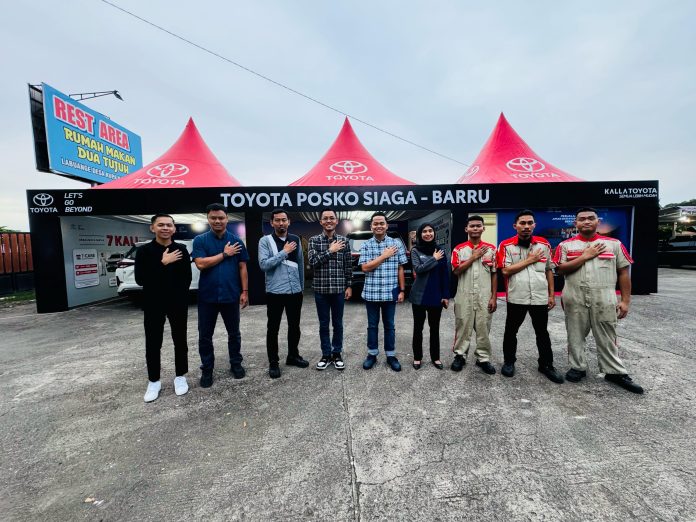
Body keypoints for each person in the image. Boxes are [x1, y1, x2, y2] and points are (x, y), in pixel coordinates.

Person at [554, 207, 644, 394]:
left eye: (591, 218)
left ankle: (614, 371)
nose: (586, 221)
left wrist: (625, 301)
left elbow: (623, 273)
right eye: (582, 219)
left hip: (605, 296)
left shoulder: (614, 244)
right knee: (575, 334)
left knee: (607, 334)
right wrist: (585, 256)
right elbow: (560, 270)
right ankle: (577, 367)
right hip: (574, 296)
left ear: (598, 222)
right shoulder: (566, 246)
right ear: (575, 223)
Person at [497, 210, 564, 383]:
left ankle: (546, 365)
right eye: (522, 223)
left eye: (529, 223)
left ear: (534, 225)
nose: (526, 226)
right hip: (516, 297)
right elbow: (505, 271)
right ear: (515, 226)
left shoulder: (544, 244)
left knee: (542, 332)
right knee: (511, 331)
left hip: (539, 297)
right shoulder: (506, 245)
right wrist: (530, 260)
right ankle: (509, 362)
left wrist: (551, 295)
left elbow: (549, 270)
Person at [134, 214, 192, 402]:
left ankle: (180, 376)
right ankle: (154, 381)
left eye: (169, 225)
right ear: (152, 228)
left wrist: (180, 297)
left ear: (174, 228)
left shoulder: (181, 250)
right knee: (153, 342)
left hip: (177, 302)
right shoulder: (144, 251)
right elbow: (140, 279)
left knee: (180, 340)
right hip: (153, 302)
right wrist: (162, 263)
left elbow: (186, 278)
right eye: (161, 225)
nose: (165, 228)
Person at [192, 203, 249, 389]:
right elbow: (201, 264)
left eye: (221, 217)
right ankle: (207, 369)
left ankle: (236, 363)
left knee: (234, 333)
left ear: (227, 219)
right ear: (208, 219)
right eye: (213, 218)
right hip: (207, 297)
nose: (217, 221)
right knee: (205, 336)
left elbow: (242, 267)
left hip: (230, 295)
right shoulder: (200, 240)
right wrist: (224, 254)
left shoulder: (236, 241)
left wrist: (245, 291)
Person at [259, 209, 308, 378]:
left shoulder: (295, 239)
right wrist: (284, 252)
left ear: (289, 222)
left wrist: (301, 288)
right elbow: (264, 265)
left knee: (295, 326)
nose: (281, 223)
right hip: (275, 292)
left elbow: (300, 264)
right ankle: (273, 362)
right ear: (271, 223)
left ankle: (293, 356)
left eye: (284, 220)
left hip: (295, 291)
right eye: (277, 220)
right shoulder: (265, 241)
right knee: (273, 328)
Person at [358, 212, 408, 372]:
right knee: (372, 326)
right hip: (371, 292)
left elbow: (400, 268)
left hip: (390, 292)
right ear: (371, 226)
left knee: (390, 326)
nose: (378, 226)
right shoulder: (366, 244)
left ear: (386, 226)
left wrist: (402, 290)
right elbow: (365, 267)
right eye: (375, 223)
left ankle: (391, 355)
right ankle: (372, 354)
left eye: (381, 223)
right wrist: (384, 256)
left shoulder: (396, 244)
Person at [450, 215, 498, 375]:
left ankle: (483, 358)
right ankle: (460, 356)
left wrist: (494, 297)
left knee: (484, 326)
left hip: (484, 296)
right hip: (464, 295)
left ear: (484, 228)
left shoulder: (491, 249)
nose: (475, 228)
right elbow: (456, 271)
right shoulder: (459, 249)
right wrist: (473, 257)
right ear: (466, 229)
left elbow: (494, 273)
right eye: (472, 226)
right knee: (463, 325)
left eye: (478, 225)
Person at [307, 208, 352, 371]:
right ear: (321, 222)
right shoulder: (314, 240)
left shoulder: (344, 241)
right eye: (325, 218)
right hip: (321, 290)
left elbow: (348, 265)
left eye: (331, 218)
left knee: (338, 324)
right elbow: (312, 262)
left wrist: (349, 285)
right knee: (324, 324)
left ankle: (337, 353)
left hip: (339, 289)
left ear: (336, 221)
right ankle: (326, 355)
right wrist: (330, 251)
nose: (328, 221)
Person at [409, 223, 450, 369]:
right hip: (419, 296)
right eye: (424, 231)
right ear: (420, 234)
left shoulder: (440, 251)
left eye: (430, 231)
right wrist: (434, 259)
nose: (428, 234)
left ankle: (436, 357)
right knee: (418, 328)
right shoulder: (415, 250)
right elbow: (418, 269)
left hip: (436, 296)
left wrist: (446, 295)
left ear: (434, 233)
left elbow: (444, 274)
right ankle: (417, 357)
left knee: (435, 328)